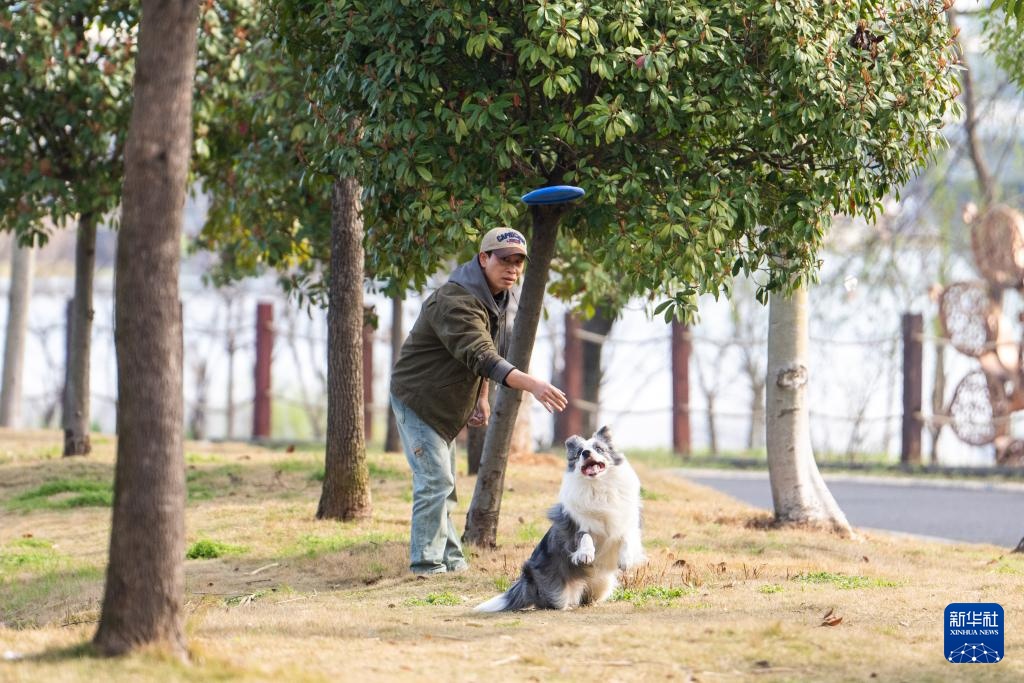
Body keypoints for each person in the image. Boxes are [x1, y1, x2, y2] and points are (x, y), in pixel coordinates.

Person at [389, 226, 568, 575]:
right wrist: (531, 384)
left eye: (518, 262)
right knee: (435, 482)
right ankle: (426, 566)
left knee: (443, 483)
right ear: (483, 258)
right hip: (420, 400)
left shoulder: (496, 299)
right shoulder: (456, 301)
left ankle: (452, 561)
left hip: (446, 402)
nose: (512, 269)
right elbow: (482, 356)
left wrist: (481, 397)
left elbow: (483, 357)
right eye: (504, 260)